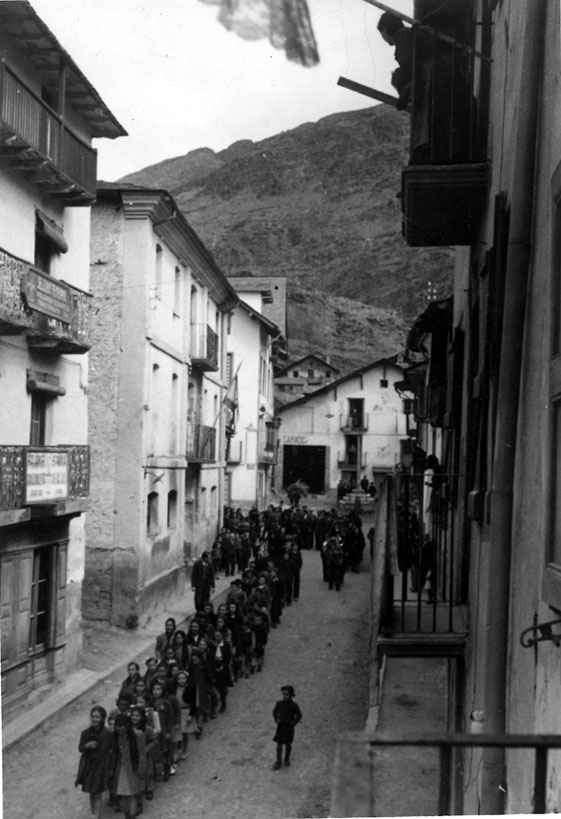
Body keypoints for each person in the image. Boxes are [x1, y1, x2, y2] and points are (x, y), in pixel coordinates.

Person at [75, 705, 112, 819]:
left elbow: (111, 750)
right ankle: (93, 814)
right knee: (91, 792)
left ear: (103, 718)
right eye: (93, 717)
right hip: (89, 765)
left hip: (101, 765)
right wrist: (87, 745)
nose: (95, 719)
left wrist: (110, 768)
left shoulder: (107, 733)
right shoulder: (86, 733)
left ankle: (96, 815)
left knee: (97, 792)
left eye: (98, 717)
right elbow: (80, 748)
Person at [110, 713, 146, 819]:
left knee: (132, 794)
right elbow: (115, 753)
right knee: (123, 794)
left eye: (123, 730)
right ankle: (127, 814)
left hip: (133, 768)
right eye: (118, 730)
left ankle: (131, 815)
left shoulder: (138, 735)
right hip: (121, 768)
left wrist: (141, 770)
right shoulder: (115, 735)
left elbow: (141, 754)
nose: (120, 732)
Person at [272, 685, 302, 771]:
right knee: (279, 745)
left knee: (288, 744)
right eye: (283, 694)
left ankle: (286, 759)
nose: (285, 696)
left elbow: (299, 715)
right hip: (281, 726)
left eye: (287, 694)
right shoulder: (279, 703)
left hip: (289, 727)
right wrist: (276, 719)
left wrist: (293, 723)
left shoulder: (294, 705)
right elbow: (274, 711)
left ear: (291, 695)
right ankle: (278, 762)